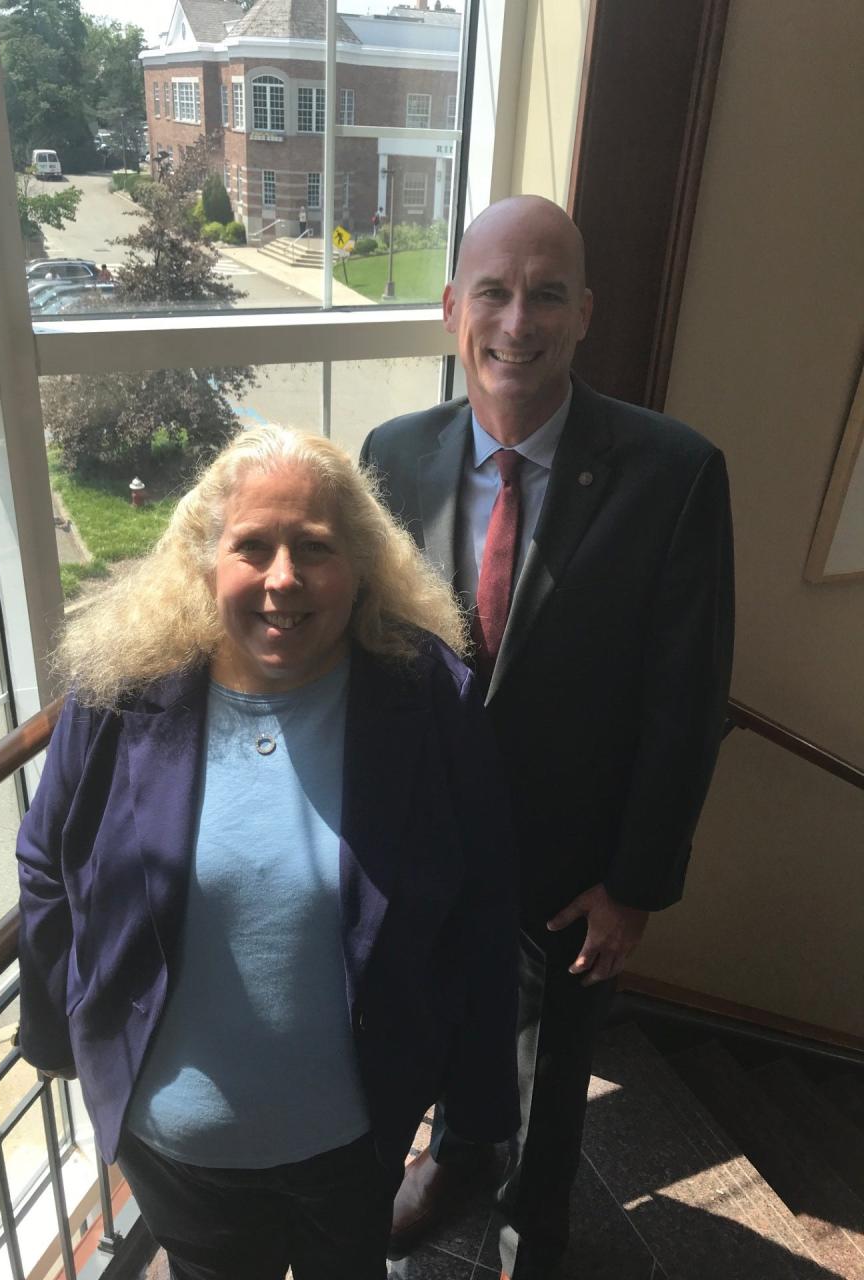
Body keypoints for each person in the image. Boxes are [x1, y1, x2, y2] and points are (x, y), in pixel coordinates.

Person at [16, 425, 520, 1280]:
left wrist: (477, 1104)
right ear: (207, 561)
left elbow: (483, 900)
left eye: (314, 548)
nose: (283, 578)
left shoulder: (427, 696)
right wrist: (57, 1037)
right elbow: (44, 866)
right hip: (175, 1152)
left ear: (360, 566)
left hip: (354, 1140)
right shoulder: (120, 689)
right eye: (253, 546)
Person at [360, 195, 734, 1278]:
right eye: (493, 290)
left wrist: (636, 883)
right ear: (451, 309)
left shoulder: (673, 473)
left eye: (546, 293)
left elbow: (686, 699)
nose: (516, 320)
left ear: (585, 314)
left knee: (553, 1071)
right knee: (441, 1033)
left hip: (573, 868)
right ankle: (456, 1156)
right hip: (430, 849)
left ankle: (536, 1228)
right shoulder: (394, 452)